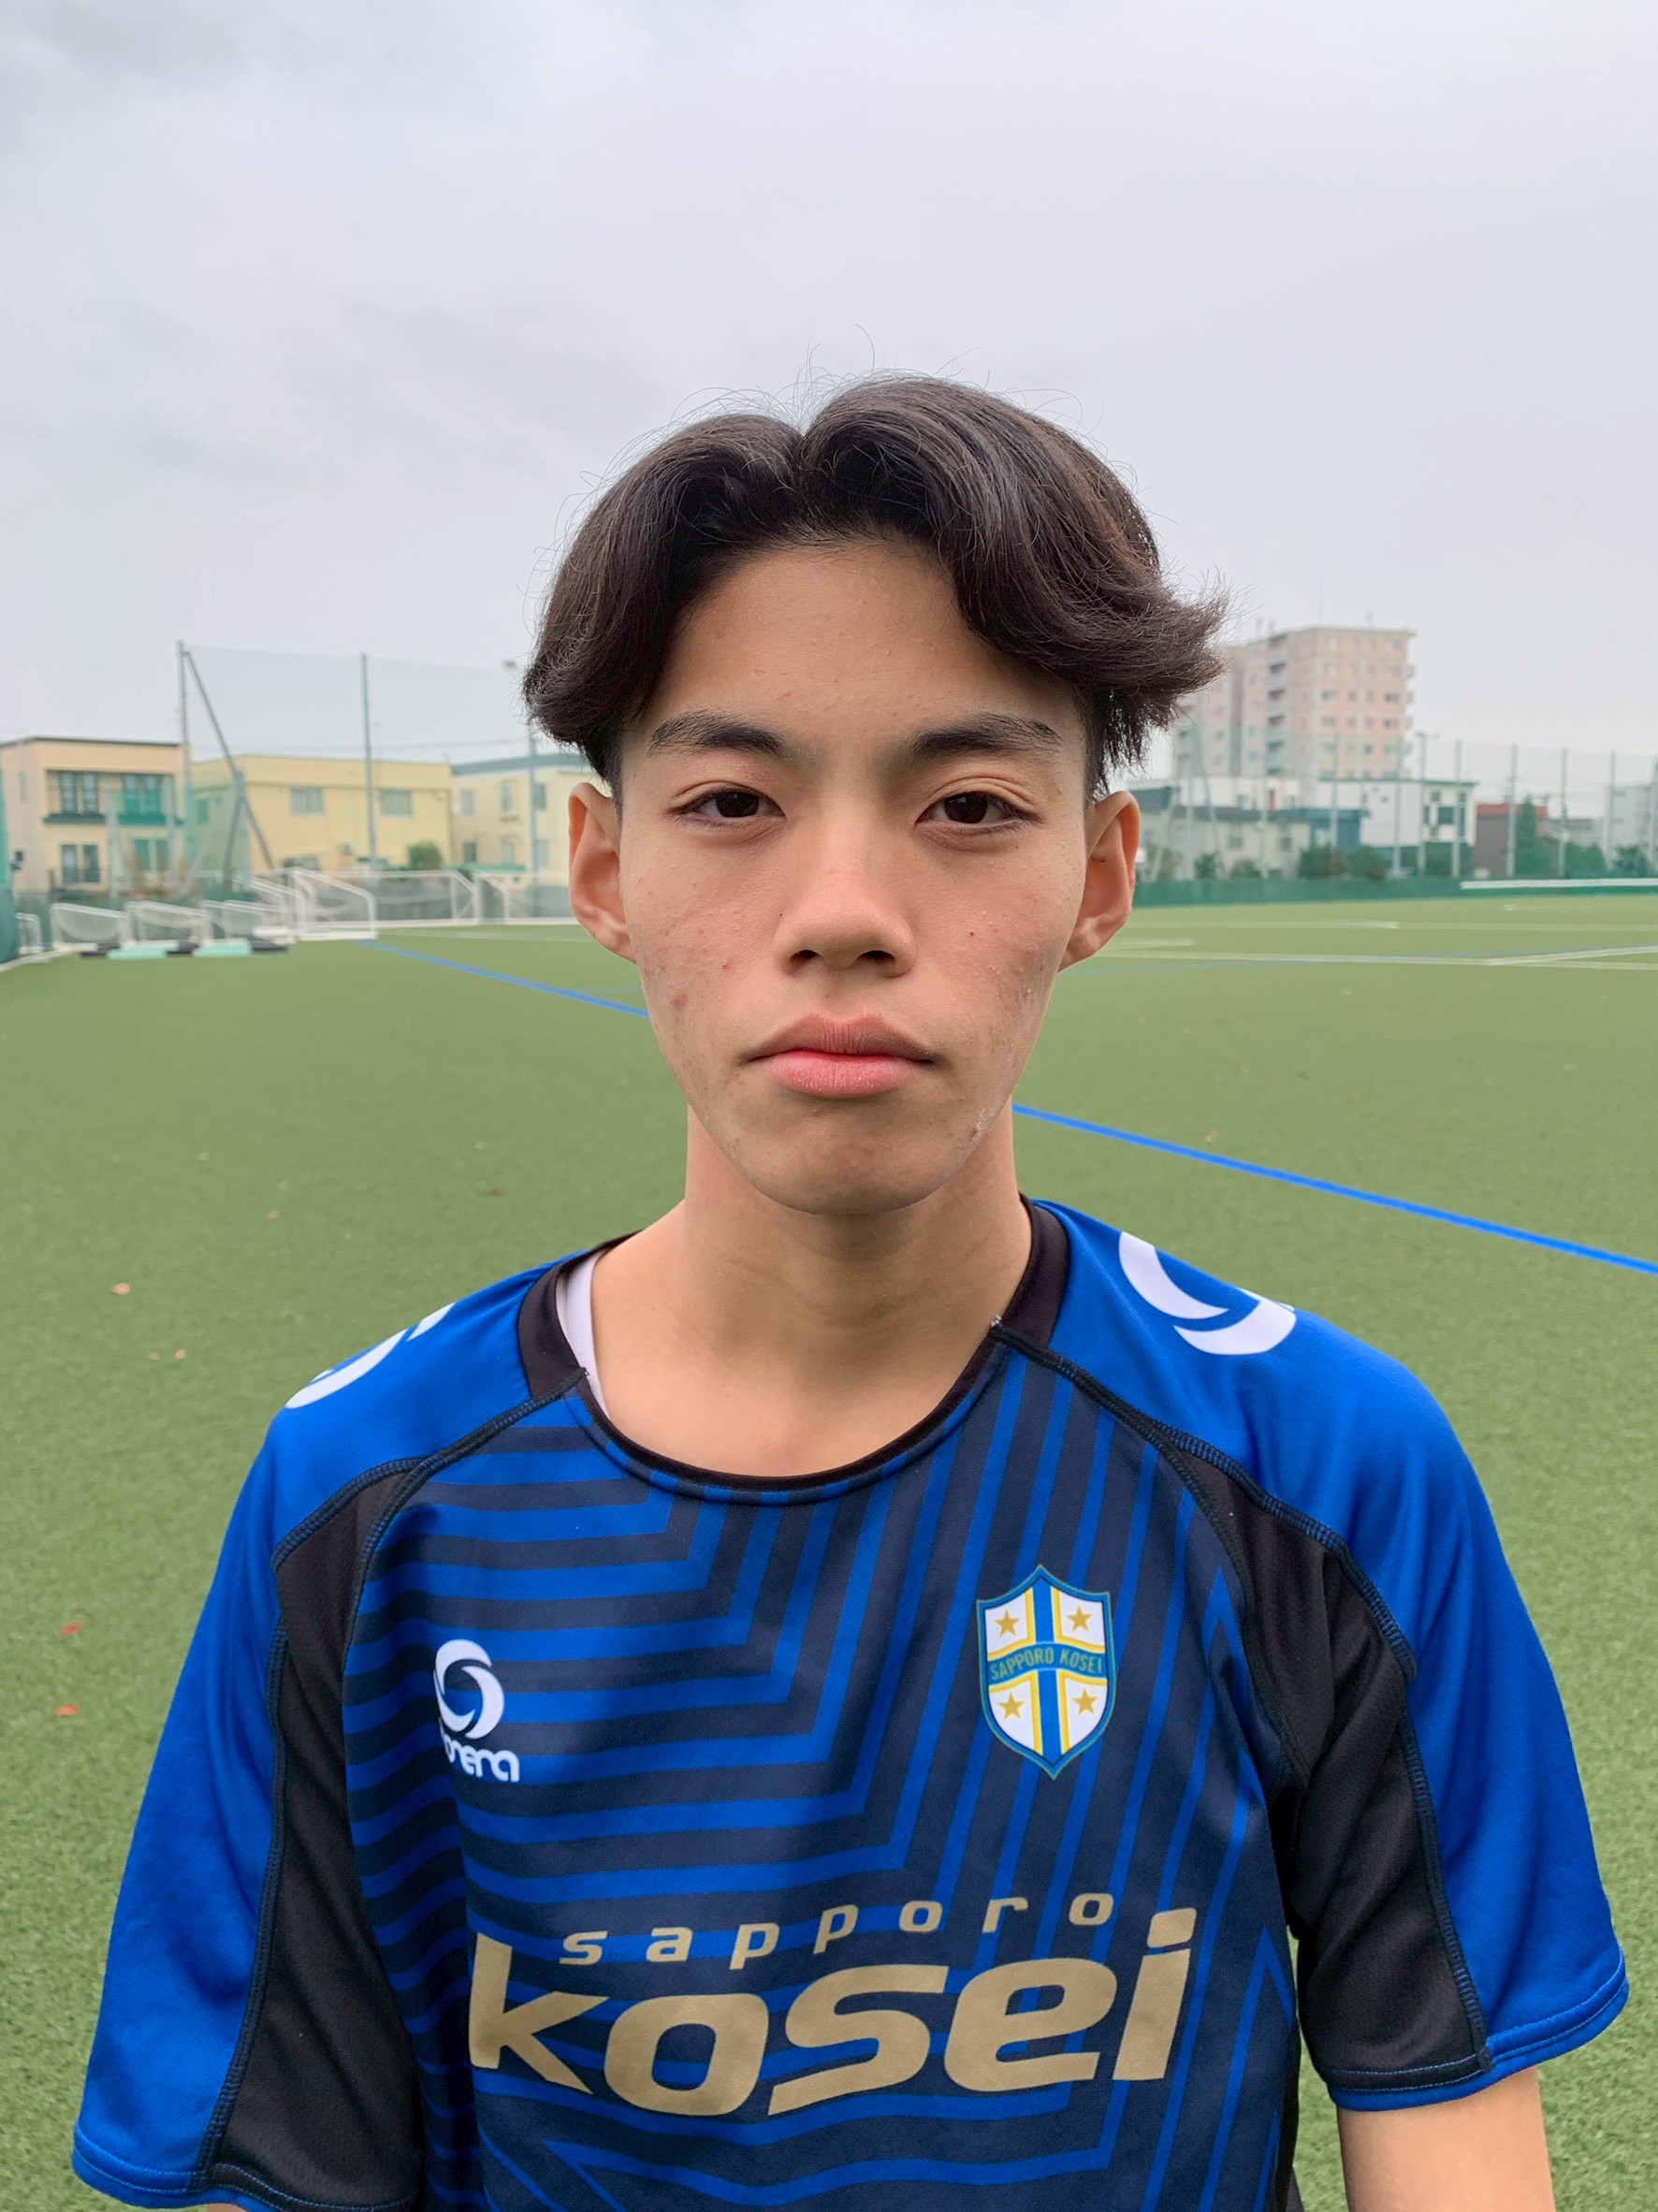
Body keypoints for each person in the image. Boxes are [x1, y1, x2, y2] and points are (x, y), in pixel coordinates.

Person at [75, 379, 1622, 2212]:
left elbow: (1446, 2115)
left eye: (967, 803)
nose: (843, 909)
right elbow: (274, 2169)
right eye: (732, 800)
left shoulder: (1323, 1466)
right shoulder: (361, 1499)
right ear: (605, 872)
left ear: (1098, 878)